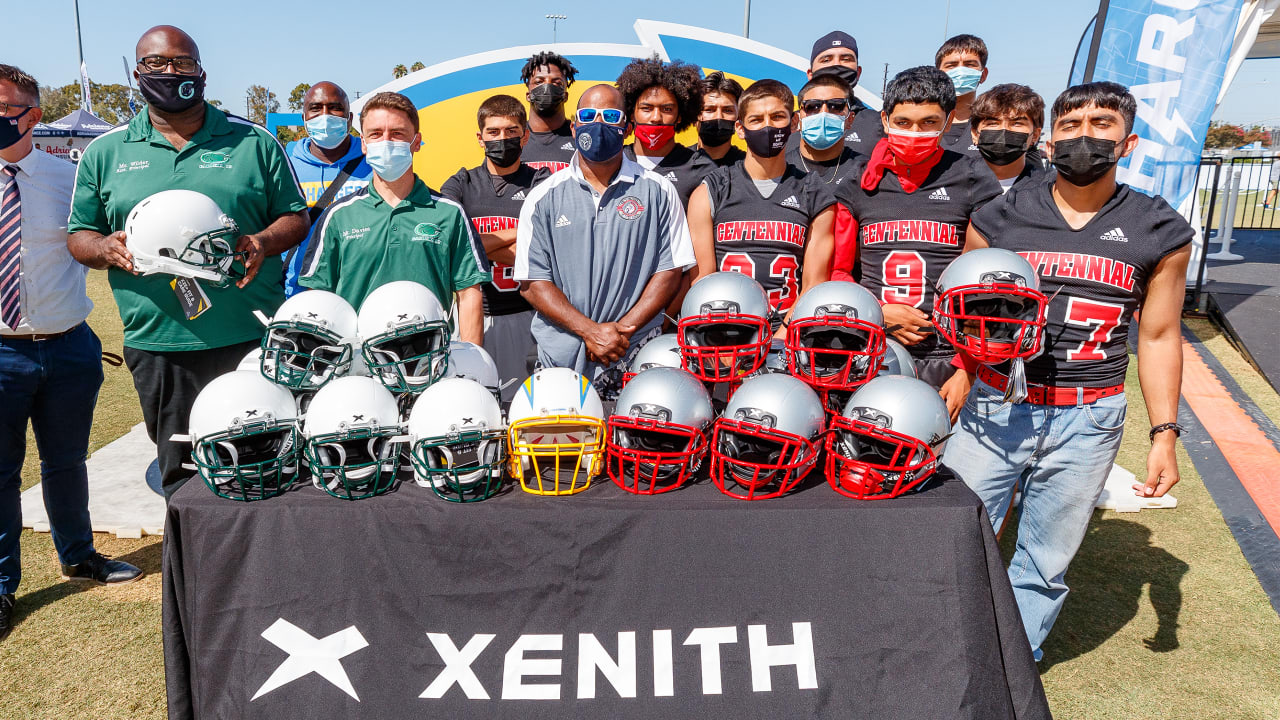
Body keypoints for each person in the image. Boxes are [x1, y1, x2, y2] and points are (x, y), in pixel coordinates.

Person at [943, 81, 1192, 663]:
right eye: (1071, 125)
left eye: (1102, 124)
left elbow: (1158, 335)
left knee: (1045, 559)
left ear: (1128, 142)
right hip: (999, 401)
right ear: (1050, 141)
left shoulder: (1158, 226)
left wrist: (1165, 433)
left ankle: (1015, 664)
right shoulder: (1000, 214)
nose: (1085, 137)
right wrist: (965, 368)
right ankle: (946, 648)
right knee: (956, 535)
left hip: (1090, 413)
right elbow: (967, 309)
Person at [67, 26, 309, 499]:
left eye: (182, 62)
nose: (170, 71)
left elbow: (295, 218)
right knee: (180, 476)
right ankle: (189, 548)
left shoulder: (253, 141)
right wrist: (104, 248)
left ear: (201, 72)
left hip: (250, 334)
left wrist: (263, 240)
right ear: (138, 74)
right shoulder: (106, 151)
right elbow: (79, 234)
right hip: (159, 341)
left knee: (266, 465)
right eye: (156, 63)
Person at [0, 64, 141, 642]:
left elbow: (105, 240)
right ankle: (2, 587)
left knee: (67, 462)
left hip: (68, 347)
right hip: (1, 353)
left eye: (3, 107)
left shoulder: (70, 179)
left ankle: (79, 556)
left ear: (32, 116)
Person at [831, 66, 1002, 410]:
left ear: (948, 121)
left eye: (928, 122)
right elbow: (838, 272)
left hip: (949, 352)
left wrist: (967, 367)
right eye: (903, 122)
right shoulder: (859, 181)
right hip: (873, 346)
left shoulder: (972, 177)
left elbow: (988, 284)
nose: (914, 132)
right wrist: (877, 312)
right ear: (885, 120)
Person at [513, 84, 694, 386]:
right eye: (588, 115)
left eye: (610, 116)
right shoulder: (543, 196)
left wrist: (621, 331)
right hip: (560, 362)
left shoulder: (659, 190)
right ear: (574, 127)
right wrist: (590, 331)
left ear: (627, 129)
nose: (598, 124)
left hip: (635, 355)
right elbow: (533, 283)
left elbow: (670, 272)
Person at [300, 92, 488, 344]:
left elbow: (469, 294)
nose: (386, 142)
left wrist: (472, 358)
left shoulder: (450, 212)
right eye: (376, 134)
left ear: (417, 141)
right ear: (364, 144)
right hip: (356, 358)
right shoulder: (338, 215)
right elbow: (318, 297)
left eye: (397, 134)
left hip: (430, 357)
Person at [688, 79, 836, 319]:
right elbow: (703, 280)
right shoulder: (711, 190)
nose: (768, 126)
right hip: (724, 326)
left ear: (794, 122)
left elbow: (813, 284)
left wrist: (783, 334)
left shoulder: (813, 192)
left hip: (788, 328)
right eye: (756, 120)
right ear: (740, 128)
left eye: (777, 117)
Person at [441, 95, 550, 401]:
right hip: (474, 314)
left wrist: (475, 243)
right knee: (472, 403)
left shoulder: (541, 181)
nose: (502, 138)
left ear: (525, 136)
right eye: (494, 131)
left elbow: (547, 250)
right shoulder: (461, 183)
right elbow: (451, 242)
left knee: (524, 408)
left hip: (527, 313)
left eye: (511, 131)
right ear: (480, 137)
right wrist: (523, 231)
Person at [282, 81, 372, 297]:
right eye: (315, 108)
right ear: (304, 118)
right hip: (297, 292)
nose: (325, 115)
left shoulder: (372, 163)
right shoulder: (285, 166)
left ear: (349, 118)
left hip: (358, 291)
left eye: (335, 108)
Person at [616, 57, 708, 206]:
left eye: (667, 109)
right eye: (646, 108)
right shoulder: (613, 161)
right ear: (631, 113)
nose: (656, 118)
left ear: (680, 116)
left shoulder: (701, 168)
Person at [803, 31, 881, 153]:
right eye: (826, 60)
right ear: (810, 74)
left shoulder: (878, 124)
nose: (836, 64)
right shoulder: (789, 124)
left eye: (846, 59)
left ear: (858, 73)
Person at [786, 73, 862, 186]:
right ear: (796, 119)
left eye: (836, 106)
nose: (823, 113)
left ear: (850, 119)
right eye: (812, 106)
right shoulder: (779, 170)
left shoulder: (867, 172)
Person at [970, 84, 1047, 193]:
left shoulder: (1051, 190)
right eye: (992, 123)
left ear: (1035, 135)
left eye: (1017, 123)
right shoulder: (953, 183)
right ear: (974, 134)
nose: (1004, 130)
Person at [520, 51, 578, 173]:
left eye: (556, 83)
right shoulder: (513, 137)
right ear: (528, 95)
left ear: (565, 96)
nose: (547, 87)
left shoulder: (578, 137)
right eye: (539, 82)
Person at [935, 34, 988, 157]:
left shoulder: (994, 125)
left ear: (983, 75)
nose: (960, 72)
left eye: (969, 65)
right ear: (937, 74)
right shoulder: (919, 124)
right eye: (951, 65)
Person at [691, 72, 746, 168]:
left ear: (739, 117)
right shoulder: (675, 163)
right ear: (693, 116)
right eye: (709, 110)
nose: (718, 116)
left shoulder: (749, 167)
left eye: (728, 110)